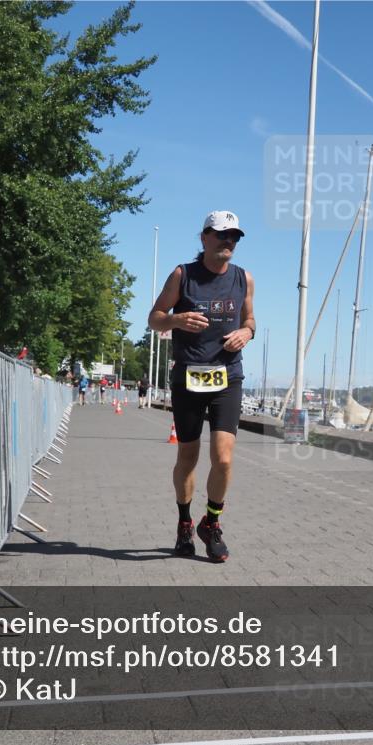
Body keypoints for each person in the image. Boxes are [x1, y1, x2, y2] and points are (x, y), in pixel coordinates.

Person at [148, 211, 255, 562]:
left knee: (223, 459)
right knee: (188, 457)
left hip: (227, 377)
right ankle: (183, 523)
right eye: (222, 235)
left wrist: (247, 332)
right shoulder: (183, 275)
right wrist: (176, 318)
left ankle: (211, 523)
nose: (229, 242)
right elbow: (154, 318)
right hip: (189, 378)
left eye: (235, 237)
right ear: (204, 238)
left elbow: (250, 318)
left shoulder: (244, 279)